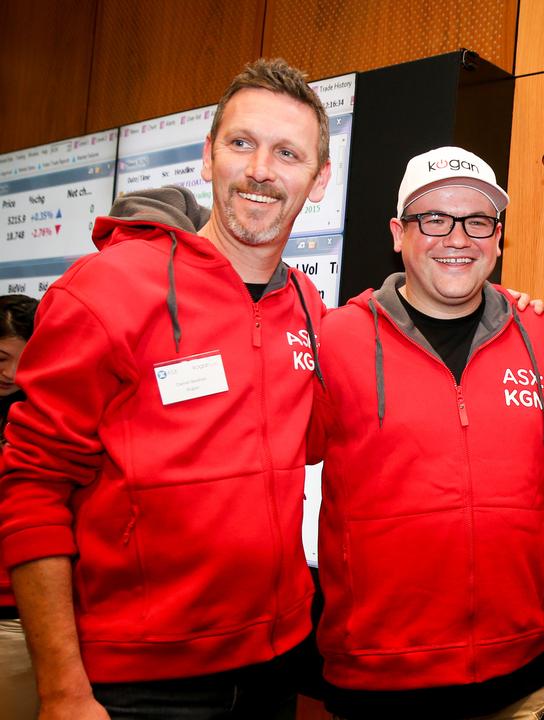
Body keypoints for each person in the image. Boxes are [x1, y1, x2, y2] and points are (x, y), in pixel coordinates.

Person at [0, 58, 331, 719]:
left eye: (288, 153)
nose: (263, 169)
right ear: (208, 158)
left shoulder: (307, 304)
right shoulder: (106, 289)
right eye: (242, 143)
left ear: (318, 180)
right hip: (138, 684)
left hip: (273, 665)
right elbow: (32, 488)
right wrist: (63, 690)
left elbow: (322, 436)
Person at [307, 146, 544, 719]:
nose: (457, 237)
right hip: (378, 689)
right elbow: (273, 453)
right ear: (399, 233)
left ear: (497, 237)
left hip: (522, 686)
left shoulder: (543, 336)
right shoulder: (339, 339)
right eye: (434, 219)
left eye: (477, 221)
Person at [0, 294, 39, 720]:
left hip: (25, 616)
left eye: (25, 361)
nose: (11, 374)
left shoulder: (49, 415)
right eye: (0, 357)